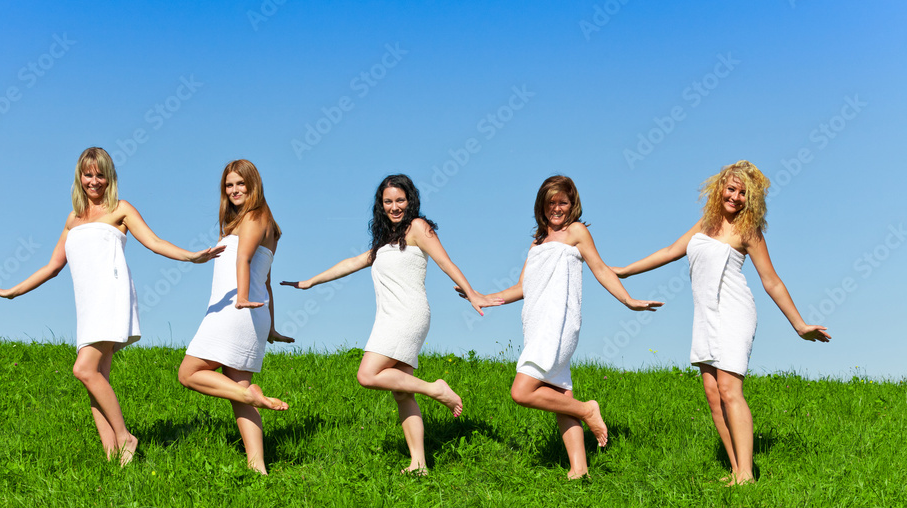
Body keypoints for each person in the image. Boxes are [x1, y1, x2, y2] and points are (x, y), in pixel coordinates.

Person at [0, 147, 225, 466]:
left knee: (83, 369)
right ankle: (113, 458)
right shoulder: (73, 219)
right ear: (79, 177)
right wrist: (13, 292)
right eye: (88, 174)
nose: (94, 181)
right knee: (96, 379)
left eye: (100, 175)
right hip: (87, 304)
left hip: (111, 297)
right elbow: (52, 267)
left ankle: (125, 436)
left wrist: (191, 256)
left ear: (109, 177)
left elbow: (155, 243)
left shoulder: (120, 209)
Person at [612, 160, 830, 485]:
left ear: (751, 199)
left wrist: (799, 324)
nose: (736, 197)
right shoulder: (706, 224)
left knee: (729, 389)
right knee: (713, 395)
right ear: (719, 188)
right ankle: (735, 470)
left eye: (743, 194)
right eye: (731, 189)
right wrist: (624, 272)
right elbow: (670, 251)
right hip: (705, 315)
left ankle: (747, 474)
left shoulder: (749, 231)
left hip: (733, 312)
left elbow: (771, 281)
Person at [281, 173, 502, 474]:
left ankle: (436, 389)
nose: (394, 207)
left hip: (407, 314)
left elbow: (445, 261)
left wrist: (473, 293)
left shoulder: (418, 227)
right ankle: (419, 463)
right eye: (388, 201)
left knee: (367, 375)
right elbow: (351, 263)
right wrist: (310, 282)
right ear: (381, 205)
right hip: (389, 317)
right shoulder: (385, 241)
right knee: (402, 392)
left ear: (410, 200)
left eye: (400, 200)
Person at [471, 175, 662, 479]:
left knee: (521, 392)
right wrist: (485, 298)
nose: (556, 208)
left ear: (572, 204)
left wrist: (628, 301)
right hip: (536, 323)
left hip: (558, 323)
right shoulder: (537, 242)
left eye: (562, 202)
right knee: (558, 393)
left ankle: (588, 410)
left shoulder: (577, 232)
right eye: (551, 203)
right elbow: (522, 287)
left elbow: (600, 269)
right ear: (541, 206)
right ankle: (579, 469)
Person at [178, 160, 292, 475]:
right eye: (229, 185)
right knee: (239, 392)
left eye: (241, 183)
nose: (234, 190)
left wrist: (241, 298)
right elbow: (266, 281)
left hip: (236, 310)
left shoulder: (254, 217)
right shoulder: (263, 223)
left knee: (188, 373)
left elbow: (243, 259)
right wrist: (271, 326)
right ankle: (258, 468)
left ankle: (249, 395)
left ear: (254, 184)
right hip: (252, 313)